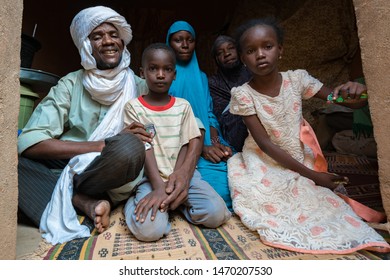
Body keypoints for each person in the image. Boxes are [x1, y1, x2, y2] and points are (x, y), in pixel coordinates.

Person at [227, 17, 390, 254]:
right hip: (264, 159)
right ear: (243, 59)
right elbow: (264, 144)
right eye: (251, 51)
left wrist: (357, 93)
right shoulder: (243, 94)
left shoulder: (297, 79)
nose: (260, 54)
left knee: (321, 202)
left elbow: (341, 100)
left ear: (280, 50)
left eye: (268, 46)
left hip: (296, 154)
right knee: (274, 201)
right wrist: (312, 174)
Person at [18, 6, 150, 245]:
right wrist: (100, 145)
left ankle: (69, 196)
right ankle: (83, 202)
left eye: (113, 34)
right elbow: (30, 142)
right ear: (85, 45)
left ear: (123, 40)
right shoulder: (71, 84)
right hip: (70, 167)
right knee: (9, 161)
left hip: (111, 174)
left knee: (129, 148)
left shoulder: (141, 86)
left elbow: (179, 120)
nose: (108, 41)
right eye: (97, 36)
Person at [123, 43, 230, 241]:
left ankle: (175, 204)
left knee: (216, 214)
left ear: (175, 74)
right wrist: (159, 188)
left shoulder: (183, 106)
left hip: (182, 177)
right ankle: (133, 203)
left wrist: (177, 182)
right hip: (150, 178)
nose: (161, 74)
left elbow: (188, 142)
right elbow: (144, 146)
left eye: (167, 69)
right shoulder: (134, 107)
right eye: (153, 68)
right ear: (142, 72)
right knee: (149, 231)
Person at [165, 21, 234, 211]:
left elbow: (209, 113)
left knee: (232, 184)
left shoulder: (202, 77)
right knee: (216, 194)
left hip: (204, 141)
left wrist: (214, 141)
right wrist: (202, 147)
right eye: (178, 40)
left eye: (190, 40)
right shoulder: (164, 75)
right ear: (169, 43)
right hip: (175, 148)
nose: (185, 45)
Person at [208, 35, 251, 152]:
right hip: (233, 135)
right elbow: (219, 118)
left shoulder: (253, 73)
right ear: (216, 60)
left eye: (231, 48)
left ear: (238, 51)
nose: (227, 54)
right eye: (220, 52)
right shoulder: (213, 84)